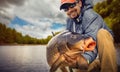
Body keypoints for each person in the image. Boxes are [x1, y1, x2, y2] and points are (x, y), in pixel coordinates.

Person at [59, 0, 117, 72]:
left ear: (79, 3)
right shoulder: (69, 21)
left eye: (72, 6)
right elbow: (69, 41)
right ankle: (97, 64)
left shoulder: (90, 16)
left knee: (102, 33)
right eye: (66, 9)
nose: (69, 10)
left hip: (99, 49)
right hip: (88, 55)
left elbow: (91, 44)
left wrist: (82, 61)